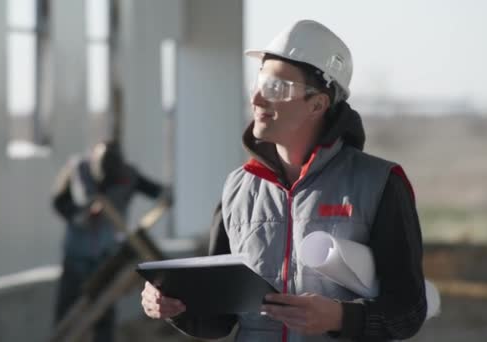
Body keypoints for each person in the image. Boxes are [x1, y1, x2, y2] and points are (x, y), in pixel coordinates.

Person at [140, 19, 427, 341]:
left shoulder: (380, 183)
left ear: (317, 104)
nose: (258, 99)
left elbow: (408, 312)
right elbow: (219, 320)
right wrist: (175, 306)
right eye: (259, 84)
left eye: (276, 88)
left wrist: (340, 316)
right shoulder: (238, 188)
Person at [52, 139, 165, 342]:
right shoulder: (77, 168)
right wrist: (79, 215)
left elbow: (162, 194)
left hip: (106, 256)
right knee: (67, 312)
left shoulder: (129, 175)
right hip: (76, 254)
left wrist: (148, 220)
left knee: (104, 315)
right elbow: (58, 201)